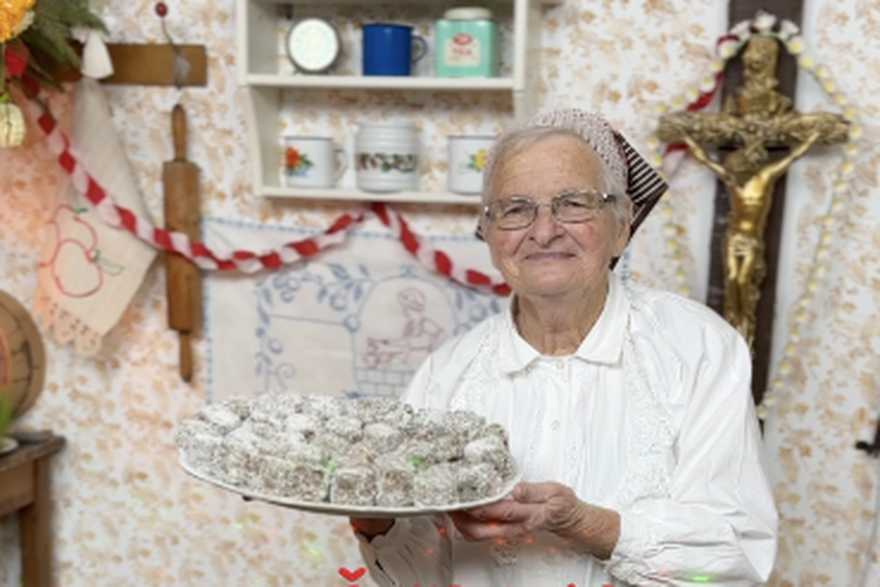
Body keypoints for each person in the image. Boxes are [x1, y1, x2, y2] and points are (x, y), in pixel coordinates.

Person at [350, 109, 777, 586]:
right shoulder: (445, 374)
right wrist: (374, 518)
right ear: (490, 236)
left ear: (621, 224)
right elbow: (421, 576)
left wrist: (585, 524)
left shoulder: (698, 350)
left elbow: (735, 562)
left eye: (573, 203)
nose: (544, 229)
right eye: (515, 208)